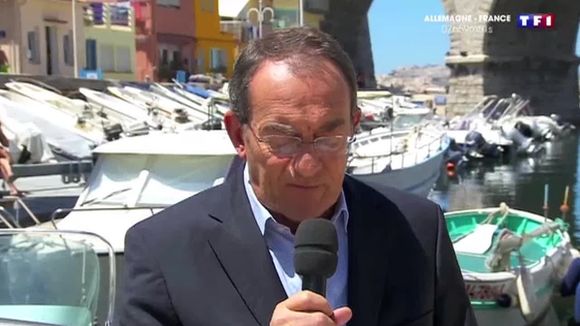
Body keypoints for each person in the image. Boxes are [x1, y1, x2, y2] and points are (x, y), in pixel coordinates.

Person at [117, 27, 475, 326]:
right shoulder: (162, 251)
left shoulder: (420, 229)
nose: (308, 165)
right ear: (238, 135)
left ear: (354, 124)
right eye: (283, 139)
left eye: (329, 137)